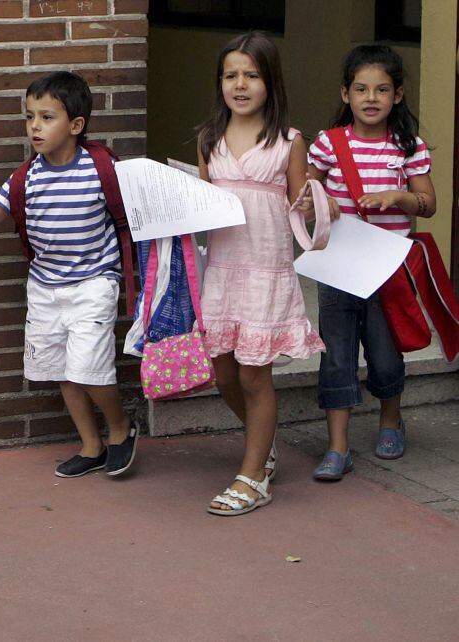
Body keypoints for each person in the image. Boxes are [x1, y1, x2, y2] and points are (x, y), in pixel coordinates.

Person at [0, 71, 138, 479]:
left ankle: (119, 428)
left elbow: (137, 212)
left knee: (90, 370)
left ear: (76, 126)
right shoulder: (25, 179)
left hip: (94, 282)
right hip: (44, 287)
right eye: (30, 118)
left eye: (47, 117)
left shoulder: (102, 169)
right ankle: (91, 445)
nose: (35, 127)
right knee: (62, 371)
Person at [195, 32, 326, 515]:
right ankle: (262, 439)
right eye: (231, 75)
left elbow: (302, 208)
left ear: (271, 83)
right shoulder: (208, 138)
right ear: (220, 83)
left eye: (252, 75)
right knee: (222, 371)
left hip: (265, 271)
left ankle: (253, 476)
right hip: (222, 270)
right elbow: (201, 202)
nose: (240, 84)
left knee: (255, 374)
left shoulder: (289, 141)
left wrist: (312, 199)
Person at [307, 44, 435, 480]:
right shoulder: (328, 143)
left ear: (397, 95)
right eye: (361, 88)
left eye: (382, 89)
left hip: (388, 268)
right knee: (337, 354)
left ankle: (389, 419)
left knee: (385, 351)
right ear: (345, 94)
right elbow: (306, 191)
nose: (371, 97)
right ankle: (338, 447)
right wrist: (320, 199)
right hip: (338, 265)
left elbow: (428, 203)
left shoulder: (407, 146)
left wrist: (397, 197)